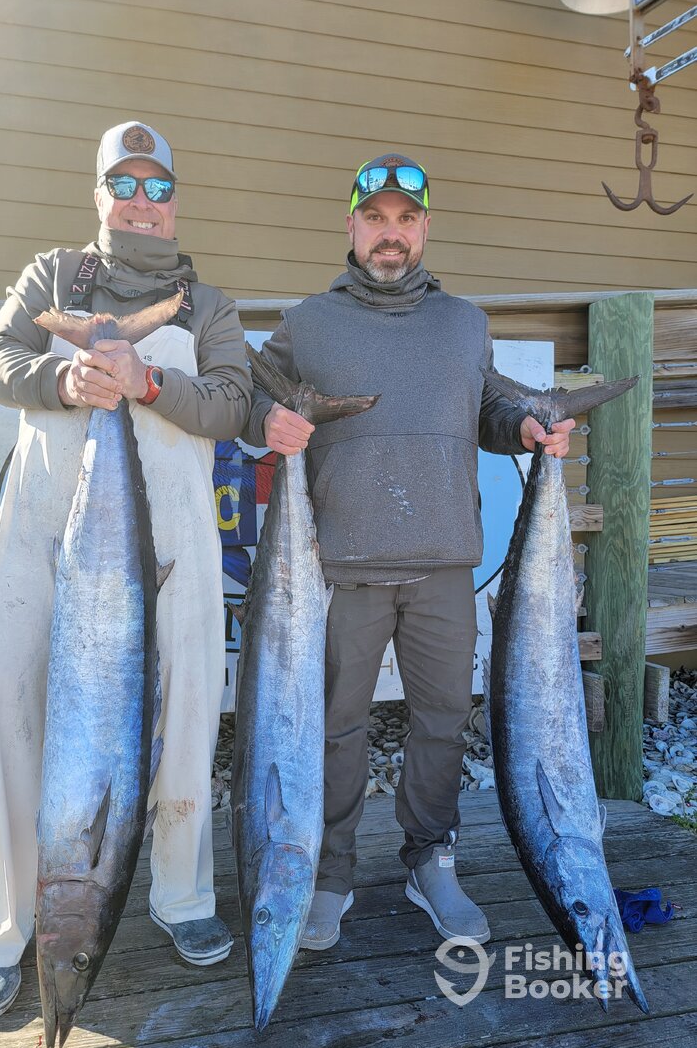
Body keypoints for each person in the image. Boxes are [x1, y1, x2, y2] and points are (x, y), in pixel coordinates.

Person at [0, 121, 251, 1020]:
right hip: (40, 545)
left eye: (157, 187)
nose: (141, 201)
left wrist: (147, 383)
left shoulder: (209, 306)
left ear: (175, 202)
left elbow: (233, 404)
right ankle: (5, 926)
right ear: (99, 196)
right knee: (3, 711)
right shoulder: (50, 276)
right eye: (124, 184)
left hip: (175, 552)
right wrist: (63, 381)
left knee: (188, 712)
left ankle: (182, 896)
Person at [242, 153, 573, 952]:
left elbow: (490, 410)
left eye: (405, 219)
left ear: (425, 228)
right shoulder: (307, 322)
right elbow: (252, 396)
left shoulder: (464, 323)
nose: (390, 234)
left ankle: (431, 861)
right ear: (351, 226)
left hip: (444, 567)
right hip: (341, 569)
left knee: (443, 722)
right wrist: (264, 422)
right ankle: (328, 874)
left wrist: (526, 427)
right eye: (375, 219)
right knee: (332, 728)